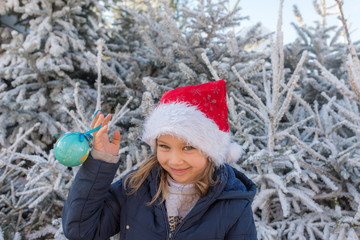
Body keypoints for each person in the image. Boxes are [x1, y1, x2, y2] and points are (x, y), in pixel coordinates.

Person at [62, 80, 258, 240]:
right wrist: (100, 162)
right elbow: (81, 231)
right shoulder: (136, 187)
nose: (175, 161)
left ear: (210, 150)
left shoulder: (233, 203)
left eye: (188, 147)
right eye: (164, 146)